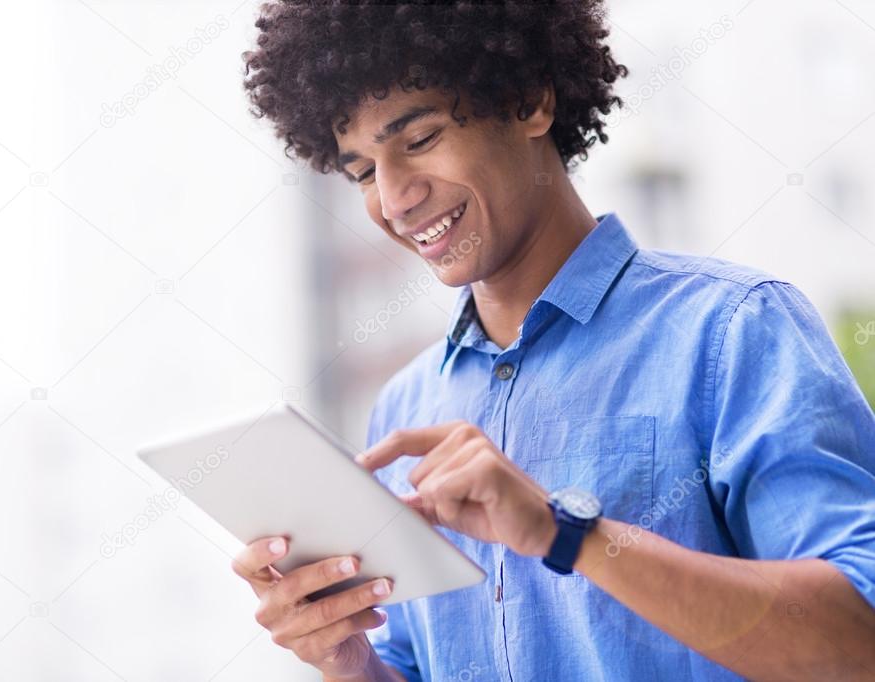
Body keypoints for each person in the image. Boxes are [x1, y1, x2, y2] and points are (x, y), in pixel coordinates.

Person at [231, 1, 875, 680]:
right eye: (362, 172)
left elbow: (857, 642)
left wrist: (567, 532)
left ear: (528, 101)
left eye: (417, 140)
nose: (392, 199)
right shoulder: (405, 409)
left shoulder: (734, 330)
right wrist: (348, 661)